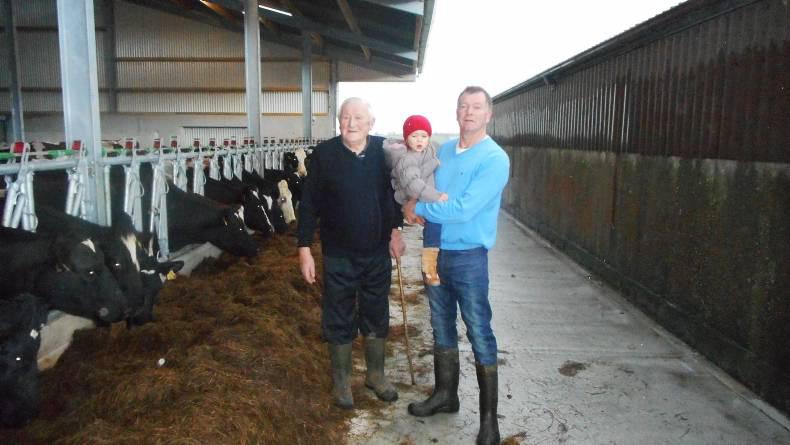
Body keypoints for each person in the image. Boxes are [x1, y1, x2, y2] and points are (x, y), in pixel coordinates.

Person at [403, 86, 510, 445]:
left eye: (476, 107)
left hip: (467, 257)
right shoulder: (443, 151)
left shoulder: (494, 159)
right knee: (439, 323)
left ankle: (489, 422)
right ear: (456, 112)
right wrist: (411, 201)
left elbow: (464, 208)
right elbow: (417, 183)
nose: (468, 112)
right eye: (463, 106)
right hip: (433, 250)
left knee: (479, 329)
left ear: (488, 114)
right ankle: (446, 395)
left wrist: (417, 209)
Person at [297, 97, 406, 410]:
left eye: (359, 117)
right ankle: (342, 380)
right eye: (346, 117)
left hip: (376, 252)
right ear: (339, 122)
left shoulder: (385, 153)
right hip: (338, 254)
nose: (351, 123)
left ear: (371, 122)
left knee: (376, 310)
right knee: (339, 312)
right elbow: (308, 204)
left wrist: (396, 230)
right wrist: (304, 248)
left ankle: (375, 375)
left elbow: (395, 195)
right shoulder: (324, 155)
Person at [383, 114, 447, 286]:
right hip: (411, 195)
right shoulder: (406, 159)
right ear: (406, 138)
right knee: (432, 238)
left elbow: (424, 174)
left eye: (424, 136)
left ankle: (433, 269)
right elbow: (413, 184)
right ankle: (429, 270)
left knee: (432, 230)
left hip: (422, 198)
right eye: (414, 136)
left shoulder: (428, 151)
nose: (419, 140)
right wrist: (436, 196)